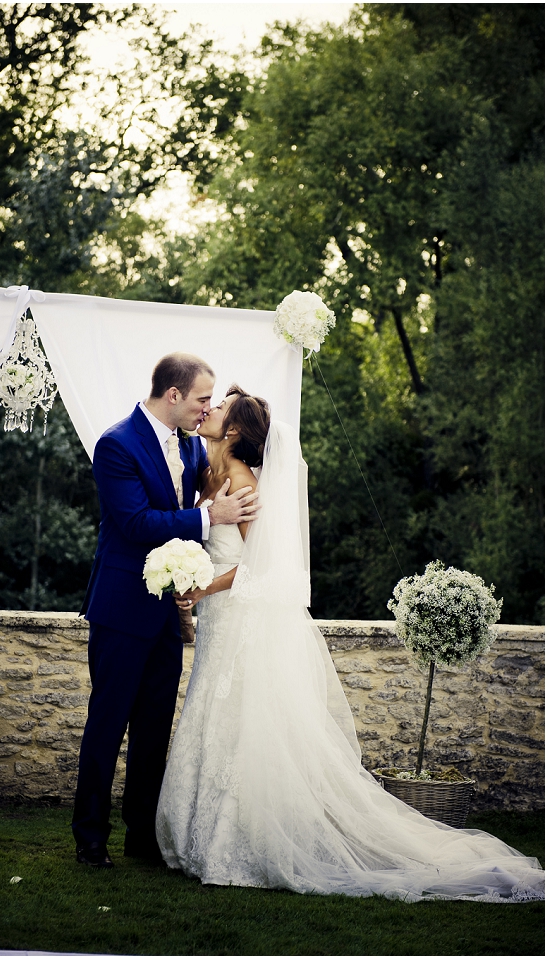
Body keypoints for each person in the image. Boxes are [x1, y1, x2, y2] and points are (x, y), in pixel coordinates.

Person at [156, 388, 545, 902]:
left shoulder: (244, 482)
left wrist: (202, 585)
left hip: (241, 623)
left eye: (220, 408)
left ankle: (242, 840)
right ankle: (202, 835)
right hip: (220, 625)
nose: (209, 411)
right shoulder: (207, 473)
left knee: (245, 726)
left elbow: (264, 568)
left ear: (232, 431)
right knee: (215, 720)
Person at [72, 355, 260, 867]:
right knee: (108, 724)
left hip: (166, 614)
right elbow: (134, 523)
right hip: (120, 607)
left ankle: (142, 838)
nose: (207, 409)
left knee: (155, 728)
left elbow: (221, 479)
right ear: (173, 395)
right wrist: (208, 516)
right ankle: (90, 838)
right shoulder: (117, 444)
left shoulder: (189, 445)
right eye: (203, 398)